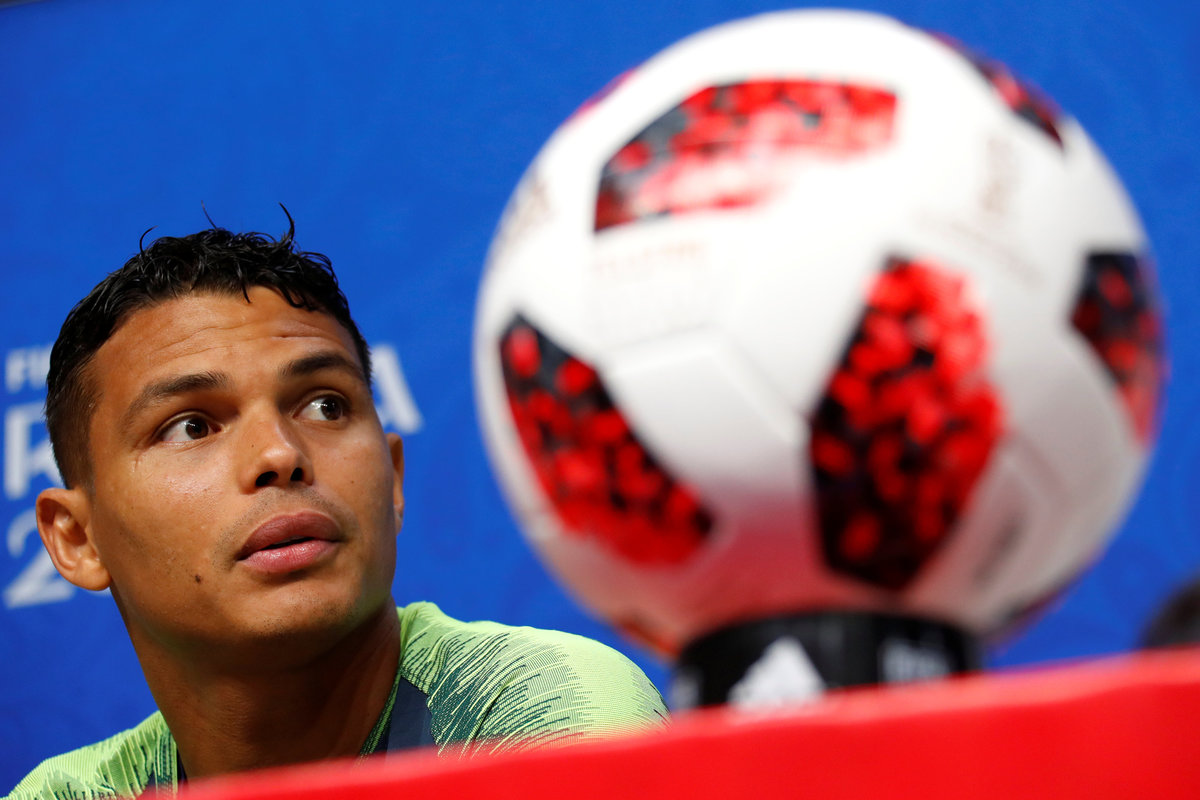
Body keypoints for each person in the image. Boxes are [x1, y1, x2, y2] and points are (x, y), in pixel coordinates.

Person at [7, 219, 667, 799]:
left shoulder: (539, 712)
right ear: (77, 538)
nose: (280, 453)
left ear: (394, 478)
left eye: (325, 405)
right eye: (191, 426)